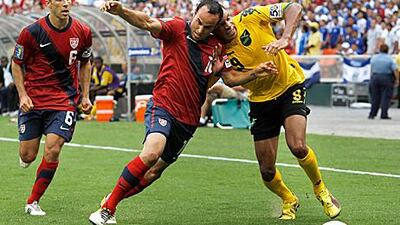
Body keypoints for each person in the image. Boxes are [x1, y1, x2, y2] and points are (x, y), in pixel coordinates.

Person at [89, 1, 277, 224]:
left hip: (188, 119)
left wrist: (255, 72)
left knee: (153, 173)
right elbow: (147, 21)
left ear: (215, 26)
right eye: (198, 22)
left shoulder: (217, 47)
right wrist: (121, 11)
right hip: (164, 105)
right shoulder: (177, 28)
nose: (200, 29)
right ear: (194, 14)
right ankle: (107, 210)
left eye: (207, 27)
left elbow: (230, 78)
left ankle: (111, 201)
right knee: (151, 153)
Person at [213, 3, 341, 220]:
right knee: (267, 171)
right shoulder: (217, 48)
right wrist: (255, 73)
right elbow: (230, 78)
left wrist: (285, 37)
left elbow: (293, 7)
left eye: (227, 18)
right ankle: (289, 199)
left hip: (289, 85)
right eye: (221, 23)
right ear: (213, 29)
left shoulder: (249, 16)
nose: (228, 24)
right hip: (261, 101)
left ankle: (321, 190)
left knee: (297, 146)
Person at [11, 0, 93, 216]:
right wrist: (22, 95)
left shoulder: (83, 31)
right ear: (48, 4)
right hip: (34, 101)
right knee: (28, 156)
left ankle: (33, 201)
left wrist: (85, 95)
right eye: (60, 0)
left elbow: (85, 62)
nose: (66, 4)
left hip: (64, 101)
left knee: (54, 148)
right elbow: (16, 63)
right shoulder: (31, 32)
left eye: (69, 0)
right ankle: (26, 153)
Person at [368, 44, 399, 119]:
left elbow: (371, 68)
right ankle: (384, 114)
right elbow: (395, 69)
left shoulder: (374, 58)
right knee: (386, 97)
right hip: (386, 78)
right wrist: (397, 79)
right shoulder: (389, 59)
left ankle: (372, 114)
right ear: (387, 50)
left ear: (380, 50)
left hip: (375, 77)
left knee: (375, 97)